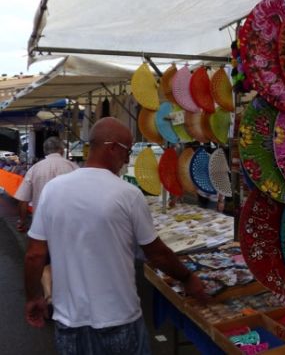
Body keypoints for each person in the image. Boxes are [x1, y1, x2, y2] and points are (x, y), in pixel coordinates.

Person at [24, 117, 208, 355]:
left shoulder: (52, 190)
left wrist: (34, 297)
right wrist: (187, 277)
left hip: (70, 323)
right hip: (120, 320)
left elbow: (34, 255)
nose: (127, 159)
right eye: (127, 151)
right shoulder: (128, 194)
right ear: (111, 147)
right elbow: (157, 254)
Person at [15, 136, 78, 232]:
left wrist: (22, 221)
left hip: (41, 225)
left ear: (45, 150)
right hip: (67, 225)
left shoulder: (35, 168)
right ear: (61, 150)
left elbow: (23, 200)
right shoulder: (73, 167)